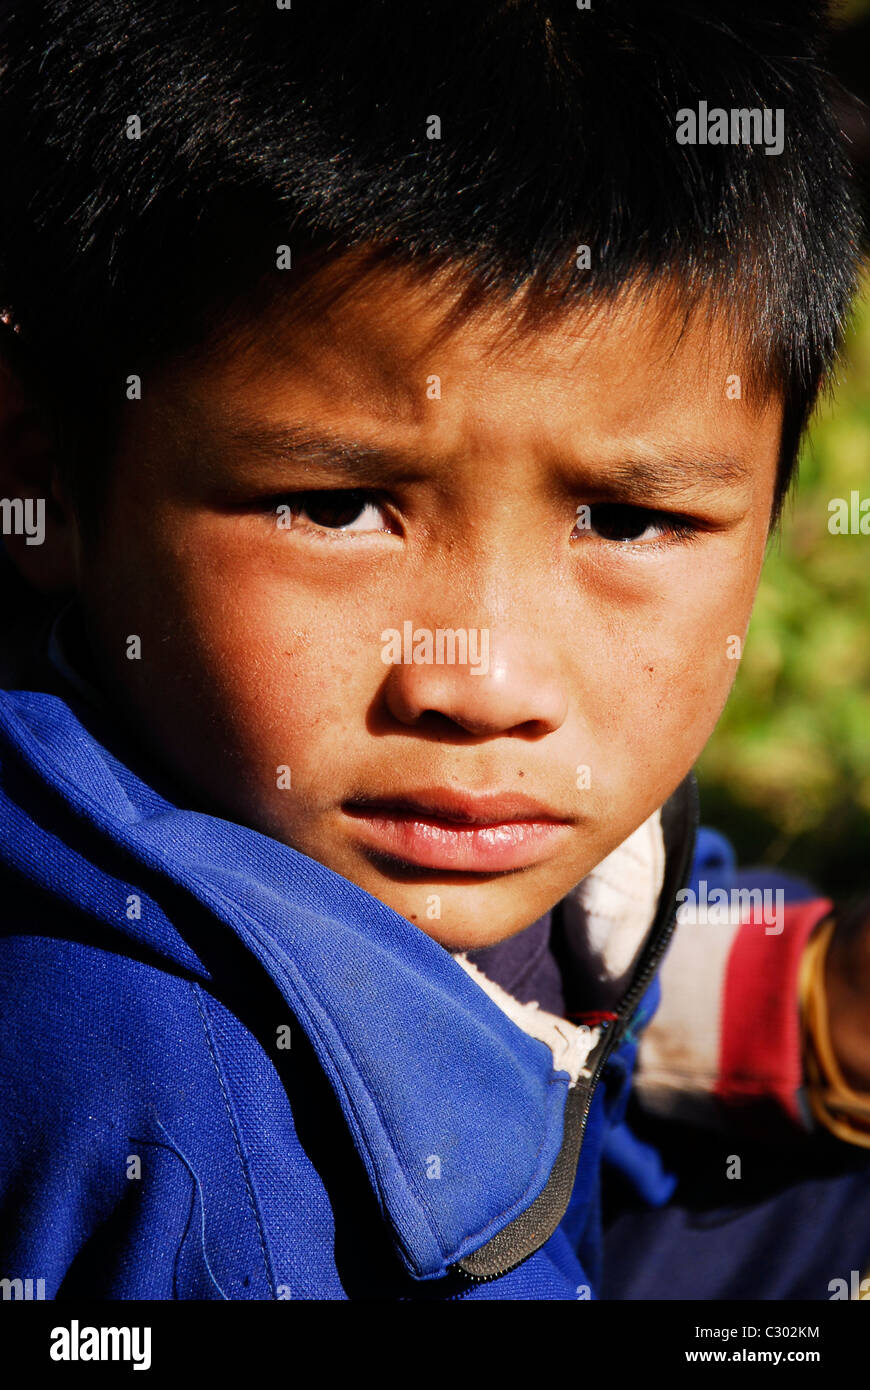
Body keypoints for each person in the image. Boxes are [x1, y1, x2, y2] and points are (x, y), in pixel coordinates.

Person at [0, 0, 866, 1300]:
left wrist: (801, 1012)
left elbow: (546, 984)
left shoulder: (359, 816)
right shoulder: (214, 1188)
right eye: (337, 507)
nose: (487, 679)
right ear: (42, 475)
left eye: (628, 518)